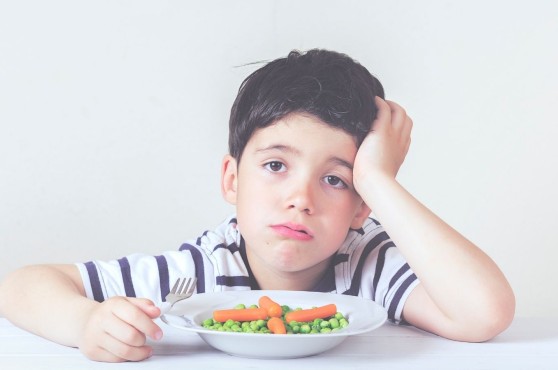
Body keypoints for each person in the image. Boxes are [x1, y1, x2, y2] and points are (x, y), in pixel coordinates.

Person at [0, 49, 515, 362]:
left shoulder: (368, 266)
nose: (300, 199)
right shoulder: (198, 276)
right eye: (275, 166)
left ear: (362, 207)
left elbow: (485, 314)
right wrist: (85, 324)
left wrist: (379, 181)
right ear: (232, 180)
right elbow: (20, 286)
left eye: (335, 179)